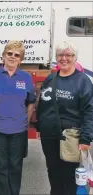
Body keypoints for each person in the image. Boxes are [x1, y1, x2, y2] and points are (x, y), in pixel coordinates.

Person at [0, 40, 36, 195]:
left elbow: (31, 103)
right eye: (9, 54)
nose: (12, 57)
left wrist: (26, 121)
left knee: (16, 165)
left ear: (21, 59)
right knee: (1, 166)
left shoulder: (25, 77)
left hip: (18, 129)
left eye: (16, 55)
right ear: (3, 56)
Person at [36, 41, 93, 195]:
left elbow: (90, 111)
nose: (64, 58)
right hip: (49, 135)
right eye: (60, 55)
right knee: (53, 172)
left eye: (69, 55)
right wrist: (40, 126)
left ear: (75, 58)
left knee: (69, 175)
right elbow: (43, 103)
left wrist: (86, 138)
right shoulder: (51, 78)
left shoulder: (83, 81)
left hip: (70, 136)